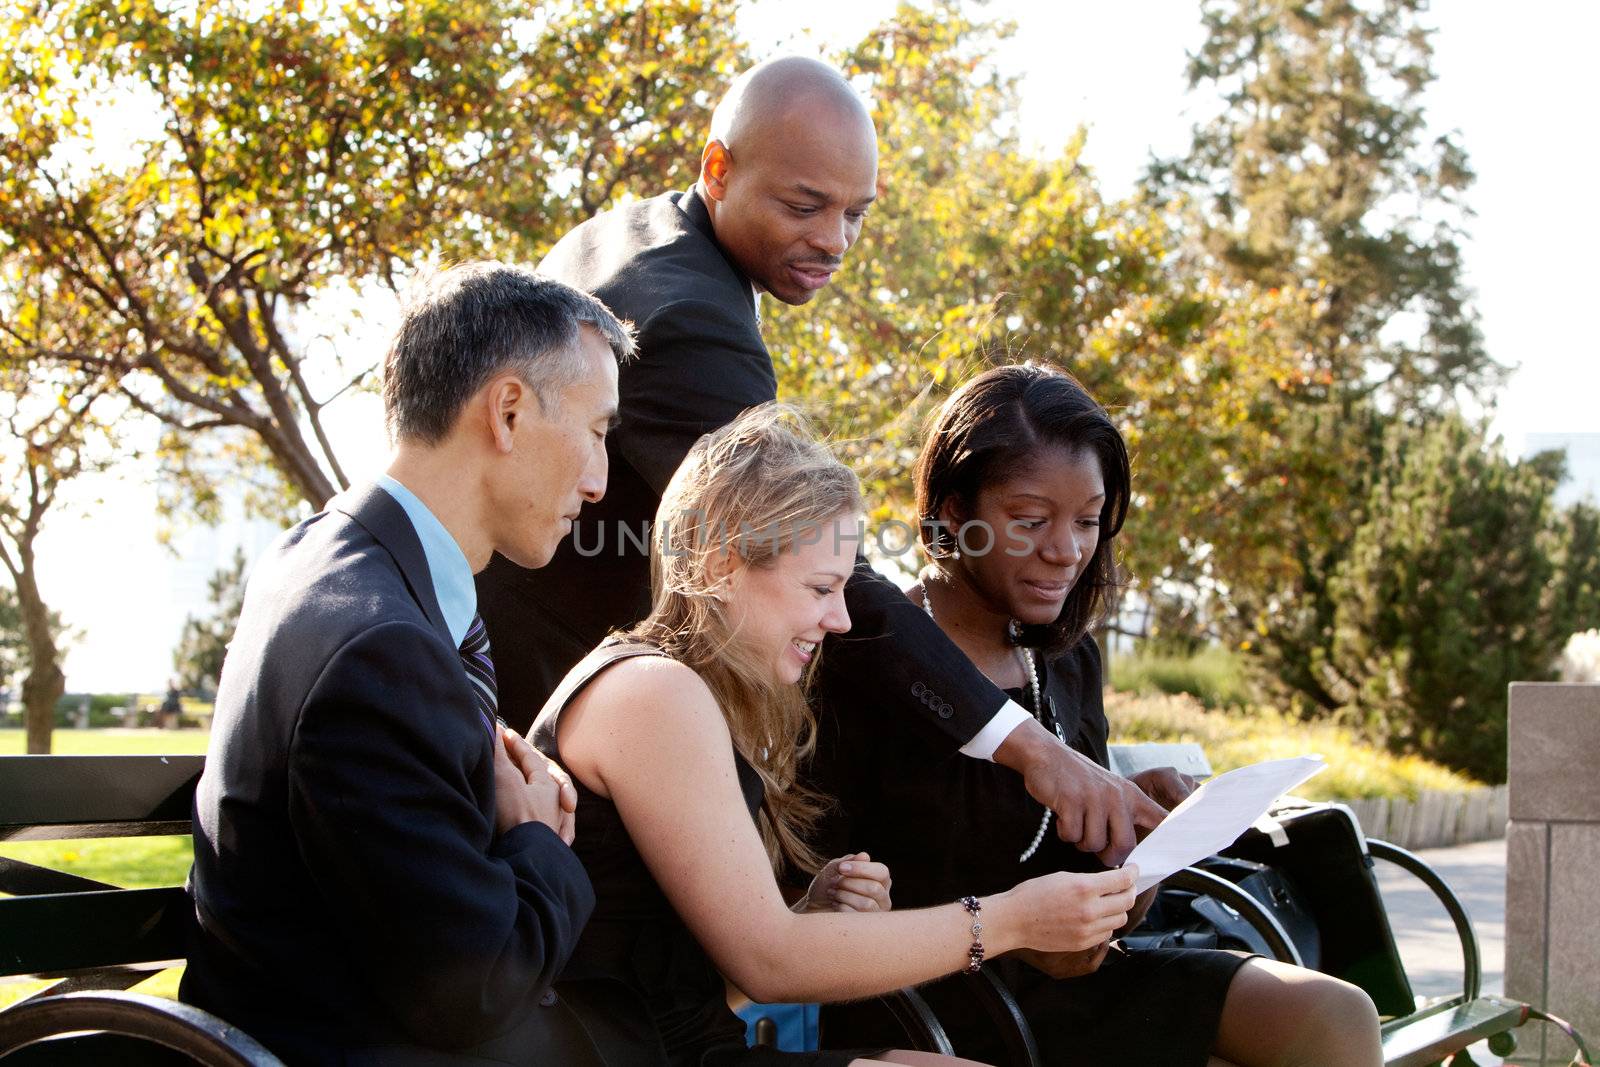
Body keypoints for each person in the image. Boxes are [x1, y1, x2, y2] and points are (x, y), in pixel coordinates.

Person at [480, 53, 1164, 869]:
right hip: (555, 717)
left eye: (857, 213)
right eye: (806, 206)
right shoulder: (696, 319)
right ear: (718, 168)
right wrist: (1033, 751)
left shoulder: (632, 236)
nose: (834, 240)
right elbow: (820, 561)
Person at [530, 404, 1142, 1067]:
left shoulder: (687, 696)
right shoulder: (652, 692)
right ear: (719, 565)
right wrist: (1013, 919)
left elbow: (694, 981)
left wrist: (811, 910)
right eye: (822, 587)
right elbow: (770, 964)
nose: (843, 619)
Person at [807, 364, 1383, 1067]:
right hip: (929, 1002)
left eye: (1087, 520)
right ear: (954, 513)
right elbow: (818, 895)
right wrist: (1018, 931)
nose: (1066, 549)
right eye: (1030, 520)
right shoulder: (871, 655)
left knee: (1335, 1012)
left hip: (1077, 989)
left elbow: (1101, 910)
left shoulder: (1068, 661)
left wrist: (1144, 853)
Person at [182, 263, 658, 1066]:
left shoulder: (327, 563)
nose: (601, 480)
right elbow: (476, 991)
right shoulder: (380, 647)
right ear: (507, 411)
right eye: (598, 430)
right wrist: (539, 837)